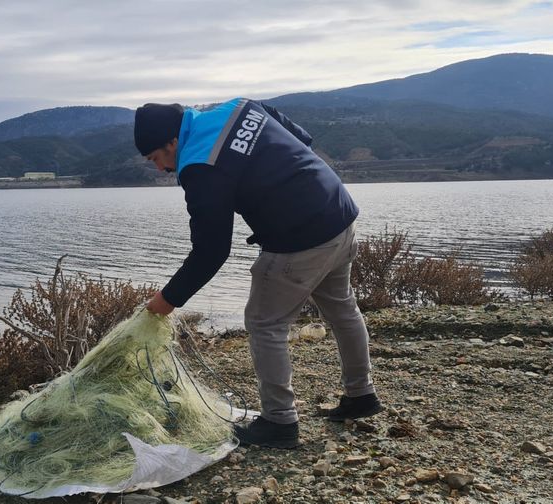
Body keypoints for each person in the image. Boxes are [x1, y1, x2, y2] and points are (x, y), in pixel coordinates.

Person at [135, 98, 382, 449]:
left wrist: (166, 300)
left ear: (171, 142)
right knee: (342, 307)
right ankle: (362, 395)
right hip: (338, 211)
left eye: (155, 158)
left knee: (265, 322)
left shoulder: (199, 165)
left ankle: (279, 422)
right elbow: (301, 138)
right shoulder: (239, 107)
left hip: (301, 238)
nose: (160, 168)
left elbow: (211, 250)